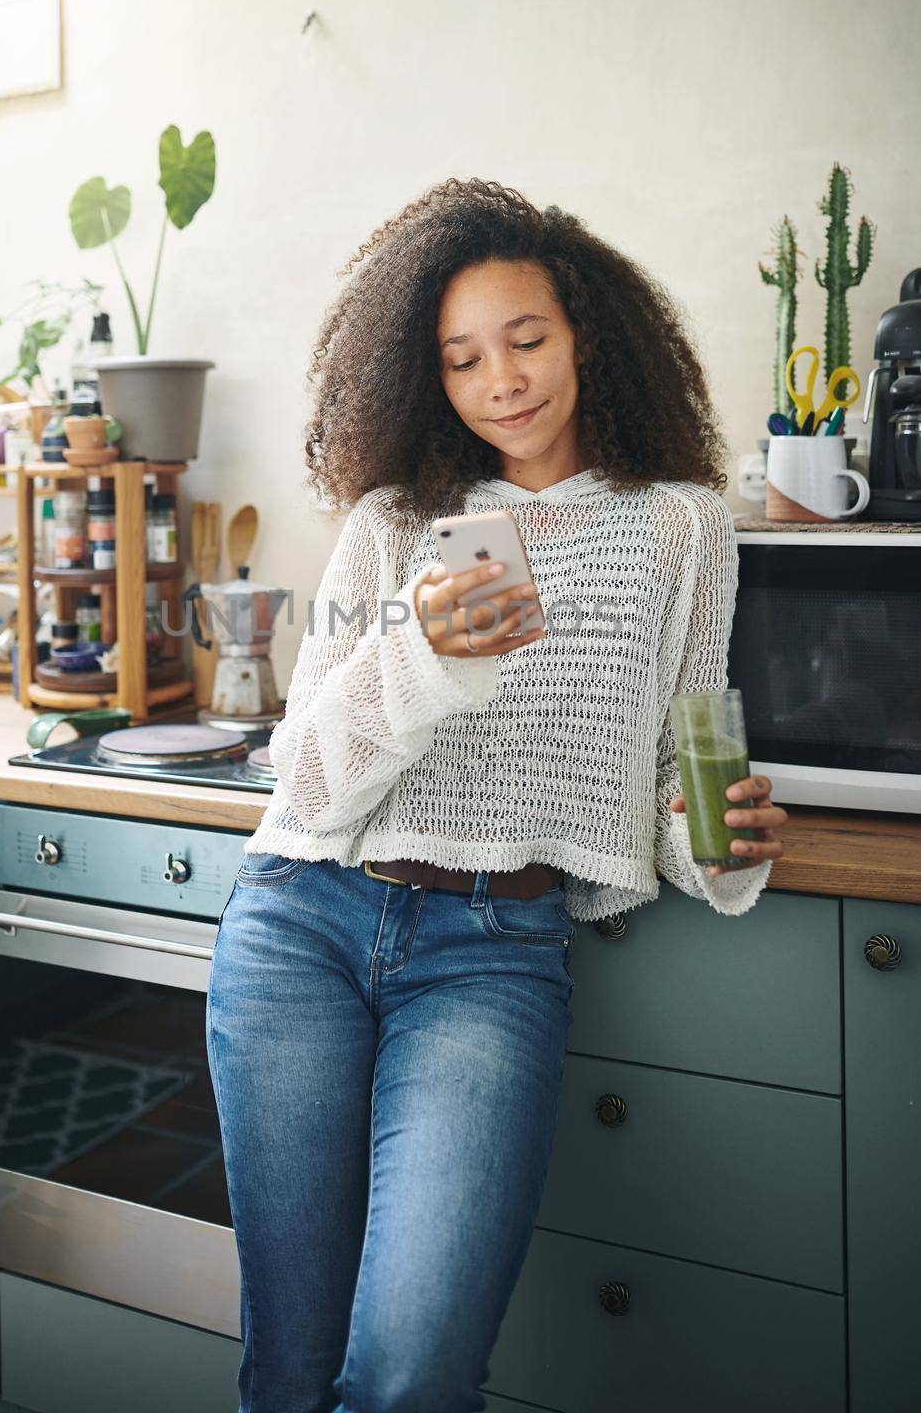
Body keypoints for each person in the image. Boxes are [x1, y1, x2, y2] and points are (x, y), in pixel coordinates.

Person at [206, 177, 788, 1413]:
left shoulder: (681, 528)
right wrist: (421, 657)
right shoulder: (390, 524)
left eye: (525, 340)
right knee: (288, 1371)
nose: (501, 380)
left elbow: (671, 767)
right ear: (430, 380)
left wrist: (720, 842)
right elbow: (303, 780)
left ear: (588, 335)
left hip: (490, 952)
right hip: (303, 923)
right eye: (463, 360)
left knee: (412, 1374)